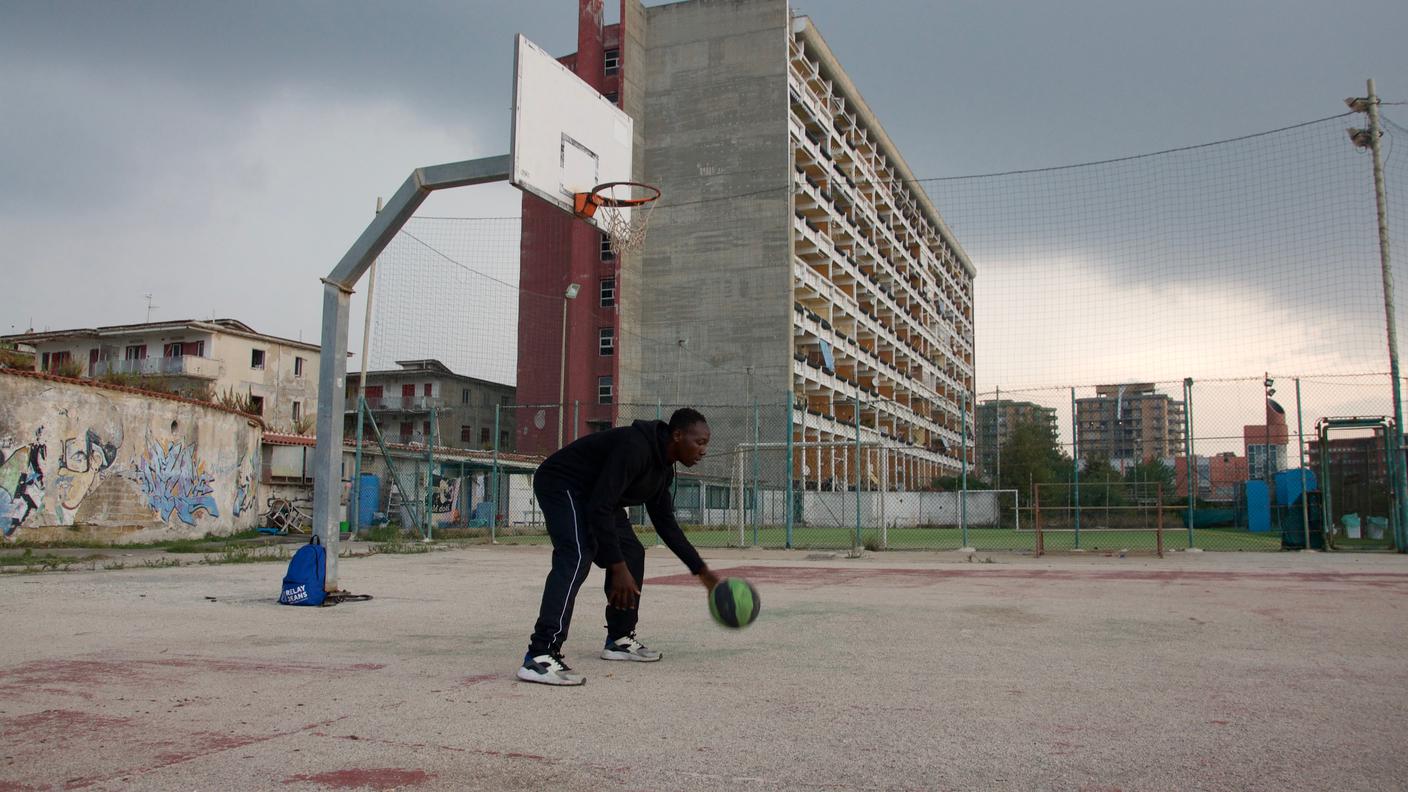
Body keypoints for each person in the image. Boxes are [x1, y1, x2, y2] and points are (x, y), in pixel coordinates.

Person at [518, 408, 720, 686]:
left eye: (705, 444)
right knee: (576, 555)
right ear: (677, 435)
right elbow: (599, 507)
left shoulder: (662, 471)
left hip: (596, 496)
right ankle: (539, 655)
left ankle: (619, 639)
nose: (703, 450)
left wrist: (702, 571)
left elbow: (666, 525)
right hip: (562, 483)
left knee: (632, 553)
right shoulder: (635, 448)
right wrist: (616, 566)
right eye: (700, 442)